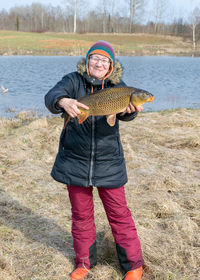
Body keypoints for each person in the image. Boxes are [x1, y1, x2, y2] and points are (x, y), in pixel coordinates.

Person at [45, 41, 144, 280]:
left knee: (119, 214)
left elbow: (125, 116)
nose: (99, 63)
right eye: (94, 58)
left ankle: (133, 266)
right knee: (81, 216)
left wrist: (130, 111)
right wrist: (63, 102)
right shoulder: (72, 80)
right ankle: (84, 263)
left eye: (104, 60)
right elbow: (51, 96)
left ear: (111, 66)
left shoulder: (119, 88)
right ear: (87, 61)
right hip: (75, 160)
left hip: (108, 161)